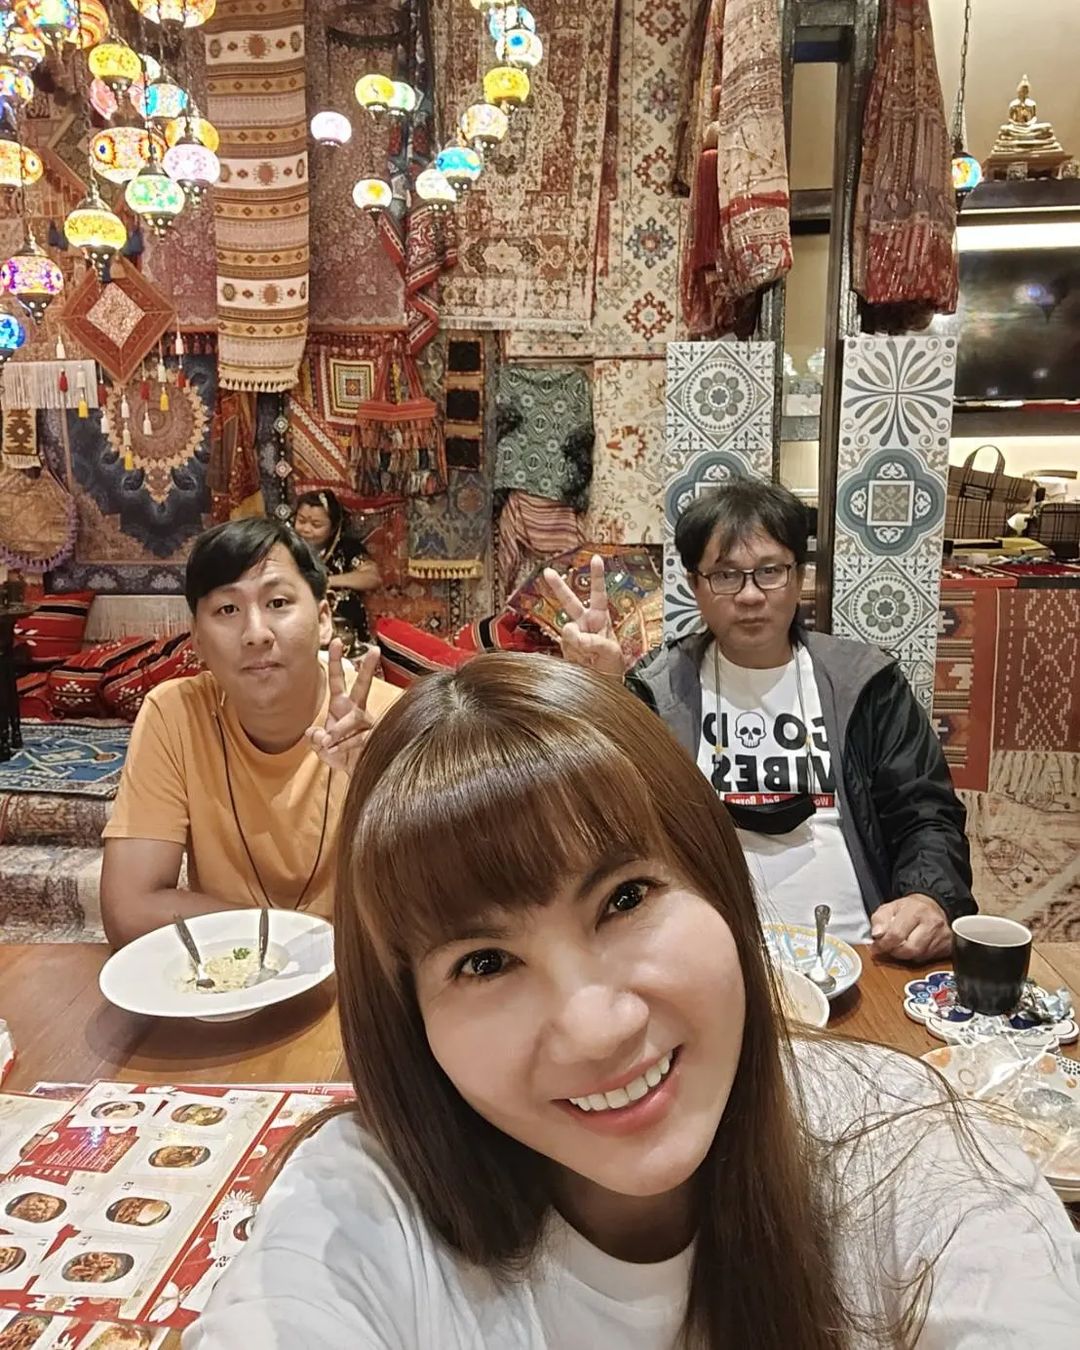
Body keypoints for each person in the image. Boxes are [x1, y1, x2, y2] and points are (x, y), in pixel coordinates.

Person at [184, 656, 1080, 1349]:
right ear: (407, 1015)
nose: (598, 1028)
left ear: (717, 879)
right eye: (485, 963)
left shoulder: (908, 1153)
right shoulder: (358, 1214)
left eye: (625, 899)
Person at [543, 479, 974, 960]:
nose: (750, 595)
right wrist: (601, 696)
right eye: (725, 575)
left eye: (769, 571)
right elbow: (598, 824)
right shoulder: (657, 691)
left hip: (859, 950)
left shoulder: (864, 682)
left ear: (799, 576)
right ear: (694, 585)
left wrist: (928, 896)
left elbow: (926, 814)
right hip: (706, 961)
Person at [100, 517, 399, 949]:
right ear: (197, 639)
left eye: (278, 602)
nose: (256, 633)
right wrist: (289, 939)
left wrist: (379, 781)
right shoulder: (176, 715)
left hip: (359, 977)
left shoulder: (389, 720)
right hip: (231, 978)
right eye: (227, 610)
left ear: (323, 619)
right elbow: (130, 909)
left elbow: (441, 909)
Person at [293, 489, 381, 652]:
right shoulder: (286, 548)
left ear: (333, 527)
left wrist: (327, 581)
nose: (306, 529)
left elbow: (372, 577)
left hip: (345, 634)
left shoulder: (347, 549)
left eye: (316, 525)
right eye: (301, 521)